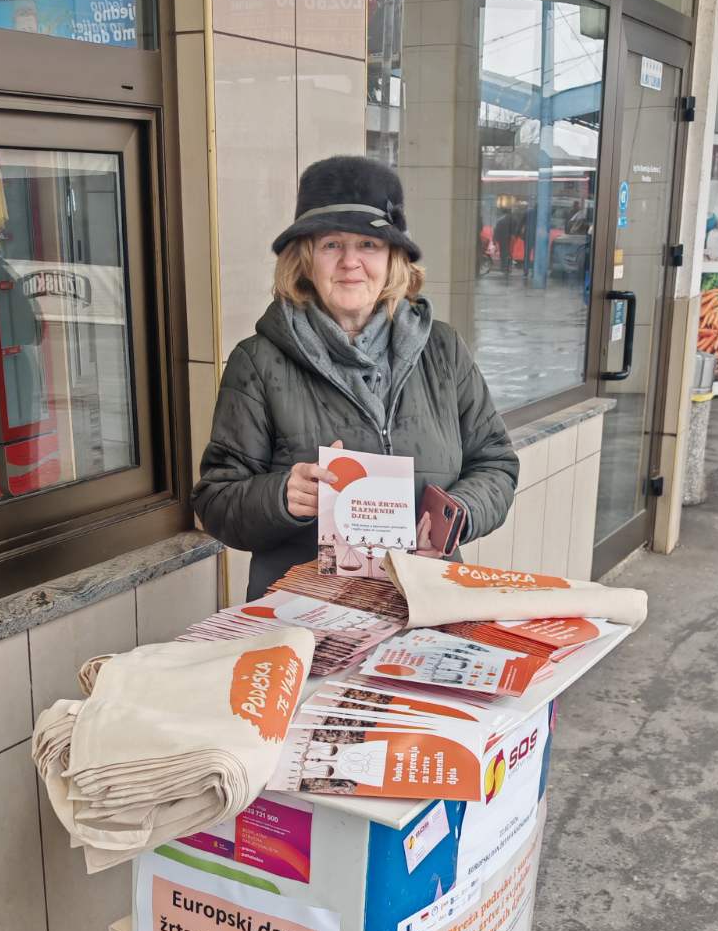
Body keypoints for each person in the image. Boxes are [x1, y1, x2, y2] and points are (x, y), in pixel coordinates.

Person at [192, 155, 518, 599]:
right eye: (331, 245)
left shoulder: (443, 351)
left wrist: (457, 515)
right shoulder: (257, 362)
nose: (350, 262)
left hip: (424, 601)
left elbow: (495, 464)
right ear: (305, 259)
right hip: (304, 610)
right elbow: (215, 500)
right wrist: (281, 497)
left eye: (369, 244)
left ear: (393, 259)